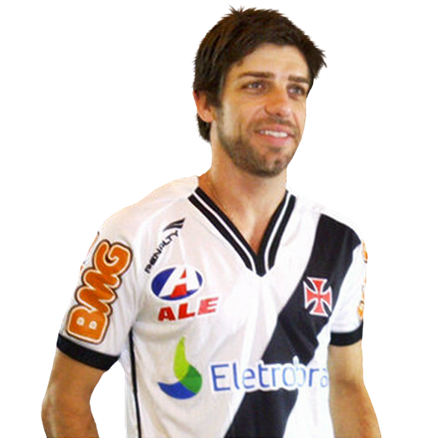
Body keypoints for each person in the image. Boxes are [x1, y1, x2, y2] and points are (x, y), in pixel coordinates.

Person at [41, 5, 381, 437]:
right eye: (256, 85)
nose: (282, 106)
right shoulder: (135, 235)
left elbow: (347, 385)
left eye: (296, 89)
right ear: (205, 102)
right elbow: (64, 402)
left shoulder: (340, 239)